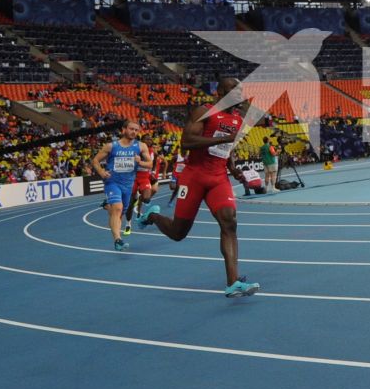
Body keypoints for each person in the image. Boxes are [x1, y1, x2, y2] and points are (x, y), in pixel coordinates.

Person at [134, 82, 259, 297]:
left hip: (219, 178)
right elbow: (187, 141)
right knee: (178, 233)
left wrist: (233, 168)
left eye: (241, 90)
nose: (240, 94)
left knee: (229, 221)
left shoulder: (237, 119)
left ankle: (233, 282)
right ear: (220, 93)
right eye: (235, 90)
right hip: (195, 177)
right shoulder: (204, 111)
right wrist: (225, 138)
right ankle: (153, 215)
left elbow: (226, 149)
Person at [92, 118, 152, 250]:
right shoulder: (111, 146)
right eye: (131, 129)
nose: (134, 132)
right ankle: (118, 240)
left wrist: (140, 162)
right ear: (123, 130)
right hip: (112, 182)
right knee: (118, 208)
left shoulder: (141, 146)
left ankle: (107, 206)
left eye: (136, 130)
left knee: (120, 213)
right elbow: (95, 161)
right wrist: (102, 172)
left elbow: (150, 164)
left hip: (128, 185)